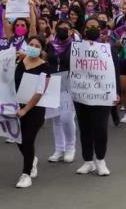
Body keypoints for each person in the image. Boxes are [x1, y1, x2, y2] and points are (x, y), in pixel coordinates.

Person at [74, 18, 120, 176]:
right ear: (84, 30)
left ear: (100, 29)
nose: (91, 29)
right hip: (82, 94)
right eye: (88, 27)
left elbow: (116, 72)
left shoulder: (108, 49)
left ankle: (100, 159)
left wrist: (116, 92)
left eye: (94, 26)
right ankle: (88, 161)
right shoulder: (77, 48)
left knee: (100, 128)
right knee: (84, 128)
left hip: (102, 94)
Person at [13, 36, 53, 188]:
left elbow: (40, 92)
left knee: (28, 140)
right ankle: (32, 160)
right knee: (18, 139)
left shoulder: (45, 67)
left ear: (42, 49)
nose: (33, 47)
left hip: (34, 110)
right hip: (16, 107)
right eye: (31, 44)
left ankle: (26, 174)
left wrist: (25, 109)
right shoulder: (20, 62)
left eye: (37, 45)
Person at [47, 20, 77, 164]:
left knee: (66, 117)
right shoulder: (50, 45)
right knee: (56, 118)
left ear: (71, 31)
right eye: (59, 29)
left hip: (69, 83)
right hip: (53, 82)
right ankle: (59, 148)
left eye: (65, 29)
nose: (62, 31)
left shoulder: (76, 46)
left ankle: (70, 147)